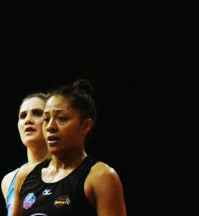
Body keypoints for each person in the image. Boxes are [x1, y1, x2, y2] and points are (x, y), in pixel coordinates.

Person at [10, 80, 126, 216]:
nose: (50, 127)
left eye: (61, 118)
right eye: (46, 119)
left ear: (85, 126)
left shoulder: (100, 177)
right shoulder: (24, 177)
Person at [0, 92, 50, 215]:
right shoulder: (9, 180)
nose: (28, 120)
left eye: (37, 113)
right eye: (22, 116)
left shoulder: (69, 171)